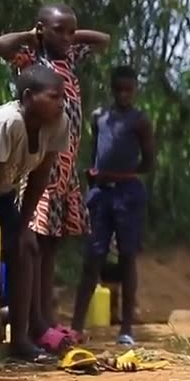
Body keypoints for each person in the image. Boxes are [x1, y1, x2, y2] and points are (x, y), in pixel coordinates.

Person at [0, 4, 109, 351]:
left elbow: (103, 40)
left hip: (65, 167)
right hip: (40, 164)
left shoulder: (70, 56)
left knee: (52, 244)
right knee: (33, 243)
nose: (68, 38)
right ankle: (33, 323)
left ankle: (47, 319)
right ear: (42, 29)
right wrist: (36, 35)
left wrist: (67, 34)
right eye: (59, 30)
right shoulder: (30, 59)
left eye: (71, 32)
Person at [0, 64, 69, 361]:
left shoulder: (57, 122)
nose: (61, 103)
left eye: (63, 97)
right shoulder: (9, 123)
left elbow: (40, 175)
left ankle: (20, 339)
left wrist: (23, 225)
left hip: (3, 194)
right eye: (54, 96)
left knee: (25, 250)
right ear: (29, 97)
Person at [71, 66, 155, 346]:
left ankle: (126, 327)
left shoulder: (140, 121)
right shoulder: (99, 117)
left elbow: (149, 160)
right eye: (118, 89)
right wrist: (98, 177)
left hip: (128, 193)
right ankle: (75, 326)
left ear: (135, 89)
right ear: (112, 89)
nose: (123, 95)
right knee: (93, 257)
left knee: (127, 258)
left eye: (128, 90)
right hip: (100, 194)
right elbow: (96, 153)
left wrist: (124, 175)